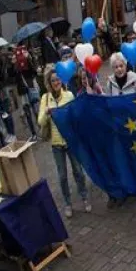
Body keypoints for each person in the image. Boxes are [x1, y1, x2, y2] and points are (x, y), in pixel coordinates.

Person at [38, 69, 90, 217]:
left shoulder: (69, 95)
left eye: (58, 79)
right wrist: (47, 113)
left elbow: (75, 117)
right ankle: (68, 203)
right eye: (53, 80)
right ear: (49, 83)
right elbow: (40, 121)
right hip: (56, 144)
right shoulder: (45, 98)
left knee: (78, 172)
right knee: (62, 176)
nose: (56, 82)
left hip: (70, 140)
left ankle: (84, 197)